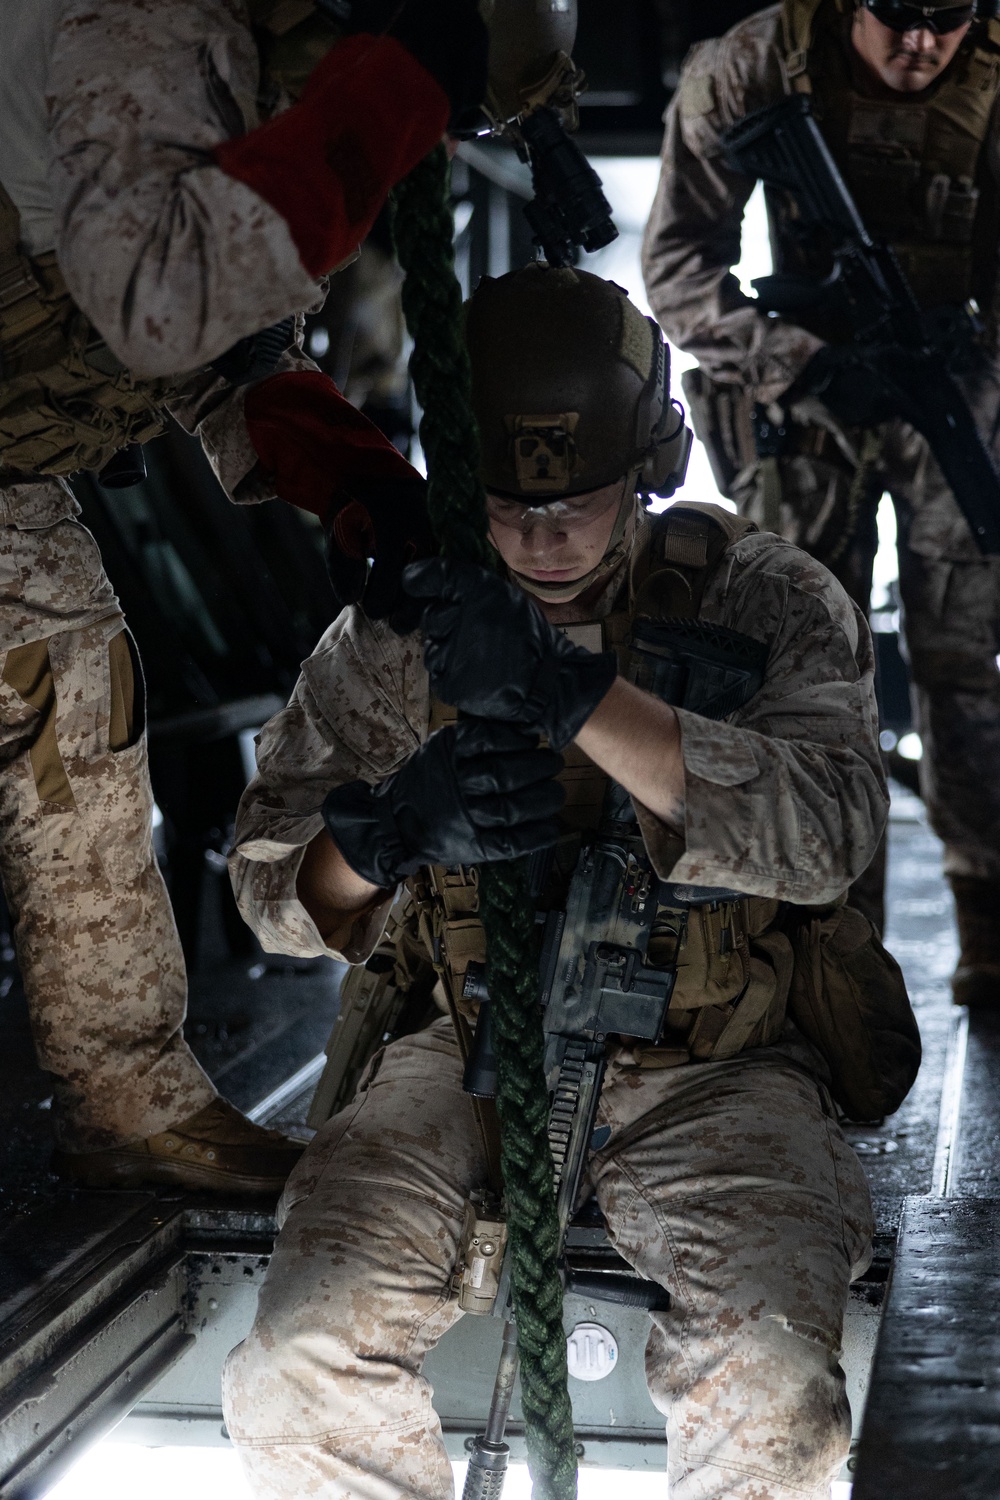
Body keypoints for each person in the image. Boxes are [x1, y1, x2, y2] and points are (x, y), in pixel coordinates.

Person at [220, 265, 887, 1500]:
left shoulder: (761, 598)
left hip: (714, 1059)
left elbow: (833, 827)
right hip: (459, 1045)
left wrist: (576, 696)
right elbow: (266, 886)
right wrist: (383, 833)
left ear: (647, 461)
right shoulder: (395, 635)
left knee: (774, 1390)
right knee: (296, 1362)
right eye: (505, 505)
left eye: (574, 502)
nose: (539, 539)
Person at [0, 0, 488, 1188]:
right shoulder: (139, 15)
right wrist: (390, 94)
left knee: (75, 701)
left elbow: (218, 346)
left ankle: (128, 1102)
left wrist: (351, 477)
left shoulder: (225, 53)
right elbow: (159, 290)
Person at [642, 0, 1000, 998]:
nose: (922, 42)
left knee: (966, 660)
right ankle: (823, 934)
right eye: (898, 11)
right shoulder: (754, 65)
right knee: (809, 667)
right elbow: (676, 267)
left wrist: (971, 394)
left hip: (956, 393)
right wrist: (799, 362)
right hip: (804, 401)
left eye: (952, 15)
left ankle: (986, 913)